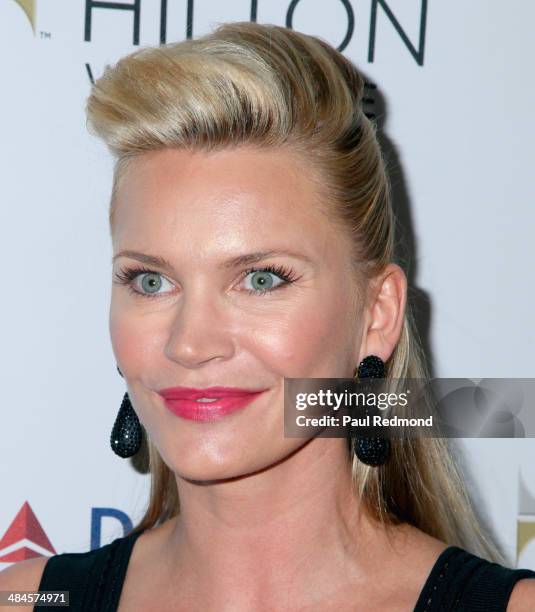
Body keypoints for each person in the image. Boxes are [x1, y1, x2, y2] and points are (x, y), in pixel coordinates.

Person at [1, 21, 534, 612]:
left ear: (377, 314)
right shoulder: (32, 601)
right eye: (151, 281)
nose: (190, 343)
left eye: (260, 279)